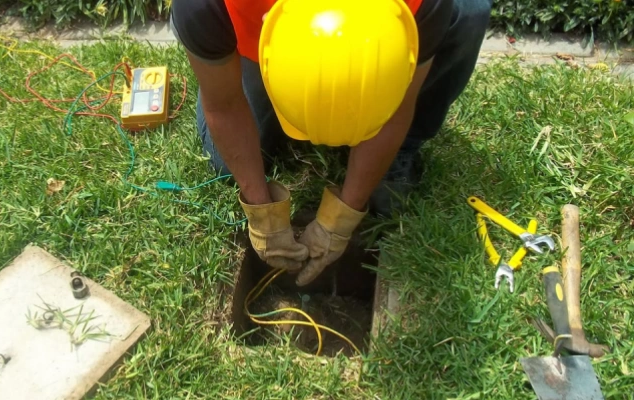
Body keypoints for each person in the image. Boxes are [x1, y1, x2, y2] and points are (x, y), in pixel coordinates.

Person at [170, 0, 491, 286]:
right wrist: (261, 213)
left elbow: (396, 110)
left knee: (470, 10)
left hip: (392, 34)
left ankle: (402, 148)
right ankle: (237, 70)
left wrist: (342, 217)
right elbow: (224, 106)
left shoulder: (422, 5)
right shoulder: (205, 6)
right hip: (248, 36)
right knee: (227, 165)